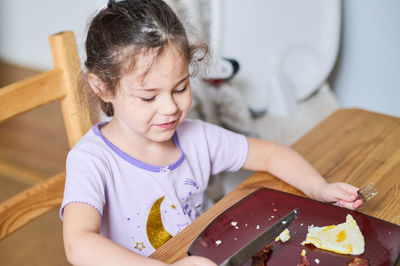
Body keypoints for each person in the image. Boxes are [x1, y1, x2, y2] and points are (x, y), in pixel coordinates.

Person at [60, 0, 363, 265]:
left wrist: (318, 188)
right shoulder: (91, 160)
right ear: (102, 87)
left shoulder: (197, 138)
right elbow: (78, 244)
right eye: (149, 97)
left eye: (180, 88)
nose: (170, 108)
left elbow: (271, 154)